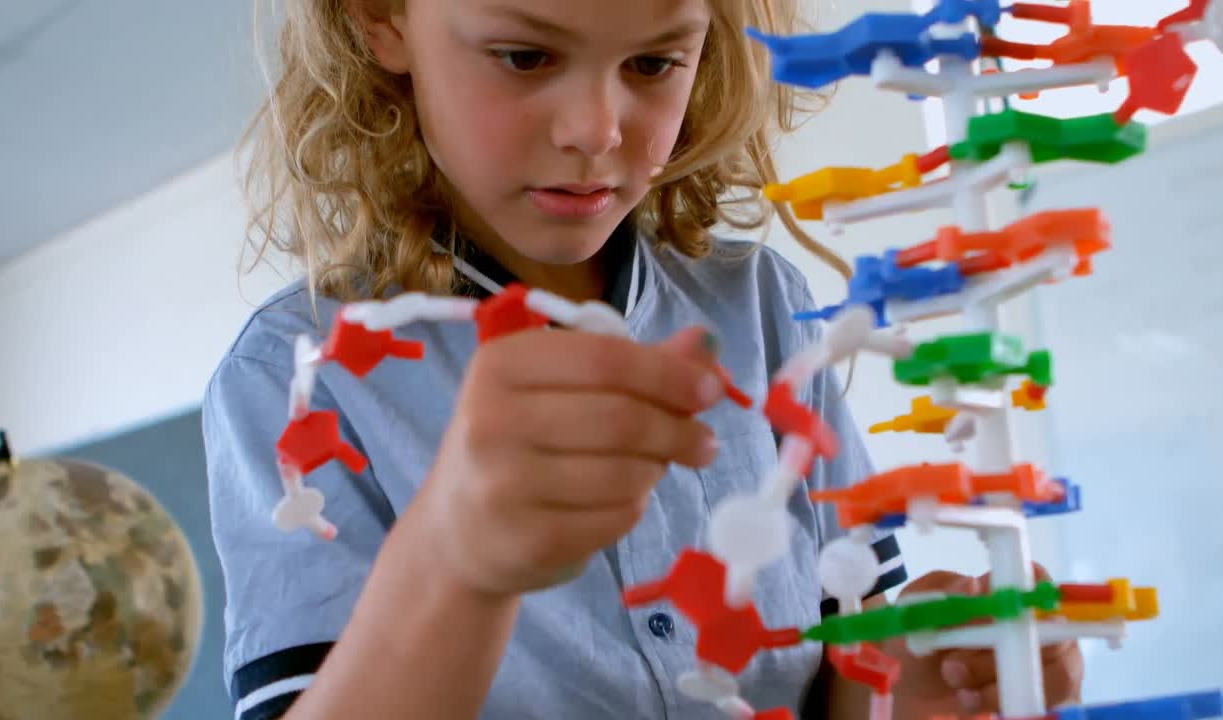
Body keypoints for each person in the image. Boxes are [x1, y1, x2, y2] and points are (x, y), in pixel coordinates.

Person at [203, 1, 1083, 718]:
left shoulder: (763, 306)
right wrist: (452, 564)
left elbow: (846, 665)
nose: (595, 131)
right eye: (523, 57)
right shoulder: (294, 376)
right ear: (381, 18)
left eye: (655, 64)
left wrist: (910, 682)